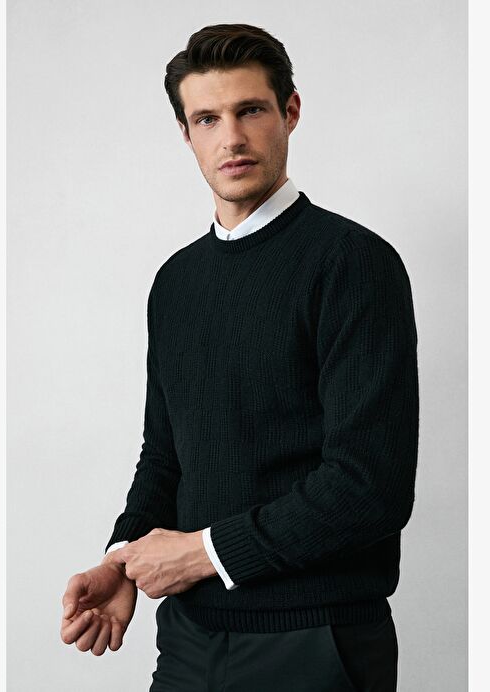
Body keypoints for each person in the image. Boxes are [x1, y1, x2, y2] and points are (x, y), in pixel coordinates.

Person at [60, 23, 419, 692]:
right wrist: (123, 558)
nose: (231, 137)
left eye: (250, 110)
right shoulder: (176, 282)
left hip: (314, 640)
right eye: (207, 118)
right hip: (189, 639)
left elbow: (369, 486)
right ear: (185, 133)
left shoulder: (351, 264)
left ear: (290, 111)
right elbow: (166, 455)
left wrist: (201, 553)